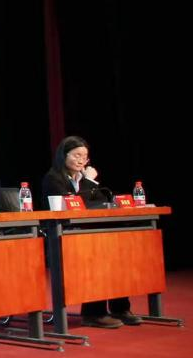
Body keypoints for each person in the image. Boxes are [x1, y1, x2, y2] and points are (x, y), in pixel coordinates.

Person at [41, 136, 139, 328]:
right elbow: (76, 204)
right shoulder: (53, 178)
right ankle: (93, 313)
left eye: (84, 157)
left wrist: (87, 182)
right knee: (98, 256)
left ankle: (120, 308)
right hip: (62, 236)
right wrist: (88, 180)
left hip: (86, 234)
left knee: (116, 256)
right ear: (63, 155)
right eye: (76, 155)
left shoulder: (82, 178)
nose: (81, 160)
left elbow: (100, 202)